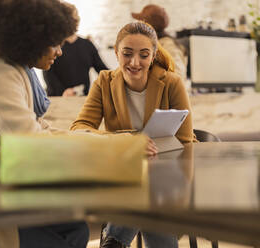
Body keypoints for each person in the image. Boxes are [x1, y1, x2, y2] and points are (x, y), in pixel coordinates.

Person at [0, 0, 89, 247]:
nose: (59, 52)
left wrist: (102, 139)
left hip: (17, 187)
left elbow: (39, 128)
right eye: (54, 43)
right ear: (30, 39)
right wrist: (113, 150)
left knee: (78, 226)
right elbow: (32, 142)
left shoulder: (16, 69)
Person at [70, 21, 196, 248]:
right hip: (124, 180)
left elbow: (186, 141)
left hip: (167, 179)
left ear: (153, 55)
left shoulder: (171, 83)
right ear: (116, 53)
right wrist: (127, 141)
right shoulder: (104, 83)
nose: (135, 62)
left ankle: (114, 241)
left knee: (147, 189)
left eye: (144, 55)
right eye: (127, 54)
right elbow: (79, 128)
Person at [43, 7, 108, 97]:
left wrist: (120, 79)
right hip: (57, 98)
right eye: (69, 18)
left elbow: (102, 70)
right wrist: (63, 92)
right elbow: (48, 73)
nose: (73, 21)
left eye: (75, 18)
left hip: (81, 98)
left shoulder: (87, 45)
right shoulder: (54, 44)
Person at [131, 4, 189, 89]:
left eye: (140, 22)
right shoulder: (151, 45)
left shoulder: (168, 46)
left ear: (148, 26)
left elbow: (177, 79)